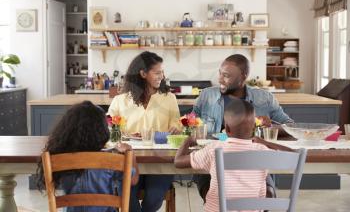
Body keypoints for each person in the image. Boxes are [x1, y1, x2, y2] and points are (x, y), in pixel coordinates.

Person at [193, 54, 293, 200]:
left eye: (226, 76)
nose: (220, 79)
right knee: (215, 195)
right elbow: (189, 124)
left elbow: (290, 126)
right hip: (213, 163)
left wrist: (270, 126)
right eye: (220, 73)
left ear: (243, 76)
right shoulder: (206, 96)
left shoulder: (264, 98)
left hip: (253, 163)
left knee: (268, 195)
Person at [175, 98, 293, 212]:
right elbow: (293, 156)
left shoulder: (214, 149)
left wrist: (188, 141)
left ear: (226, 129)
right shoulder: (261, 150)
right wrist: (264, 142)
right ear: (254, 128)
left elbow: (178, 162)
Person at [107, 51, 181, 212]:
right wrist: (124, 134)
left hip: (159, 161)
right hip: (129, 161)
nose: (162, 75)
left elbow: (177, 123)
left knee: (153, 200)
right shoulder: (121, 100)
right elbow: (109, 126)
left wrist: (175, 127)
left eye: (162, 71)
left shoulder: (169, 98)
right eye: (157, 72)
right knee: (127, 197)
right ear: (142, 73)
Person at [36, 100, 139, 212]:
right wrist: (131, 155)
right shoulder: (110, 160)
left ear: (66, 130)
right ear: (101, 131)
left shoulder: (59, 158)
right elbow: (133, 180)